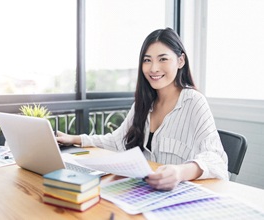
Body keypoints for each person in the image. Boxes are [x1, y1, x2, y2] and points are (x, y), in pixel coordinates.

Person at [56, 27, 228, 190]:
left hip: (179, 196)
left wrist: (179, 172)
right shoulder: (143, 104)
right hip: (145, 192)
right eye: (147, 60)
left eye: (163, 59)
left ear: (180, 61)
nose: (153, 68)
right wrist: (75, 139)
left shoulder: (194, 101)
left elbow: (216, 159)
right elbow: (116, 141)